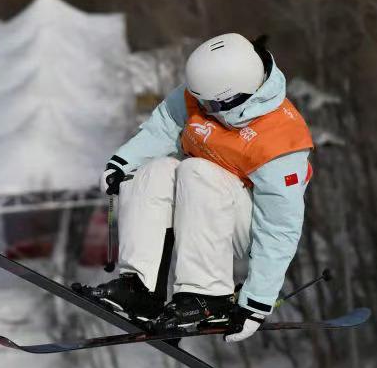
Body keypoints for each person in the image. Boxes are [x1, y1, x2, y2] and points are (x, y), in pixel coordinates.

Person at [82, 33, 313, 343]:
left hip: (244, 225)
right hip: (200, 209)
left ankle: (207, 297)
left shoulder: (281, 141)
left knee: (197, 170)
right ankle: (141, 288)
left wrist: (256, 303)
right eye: (199, 99)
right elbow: (164, 126)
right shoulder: (205, 93)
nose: (202, 108)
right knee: (156, 170)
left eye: (211, 104)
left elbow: (279, 228)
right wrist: (123, 162)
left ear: (237, 97)